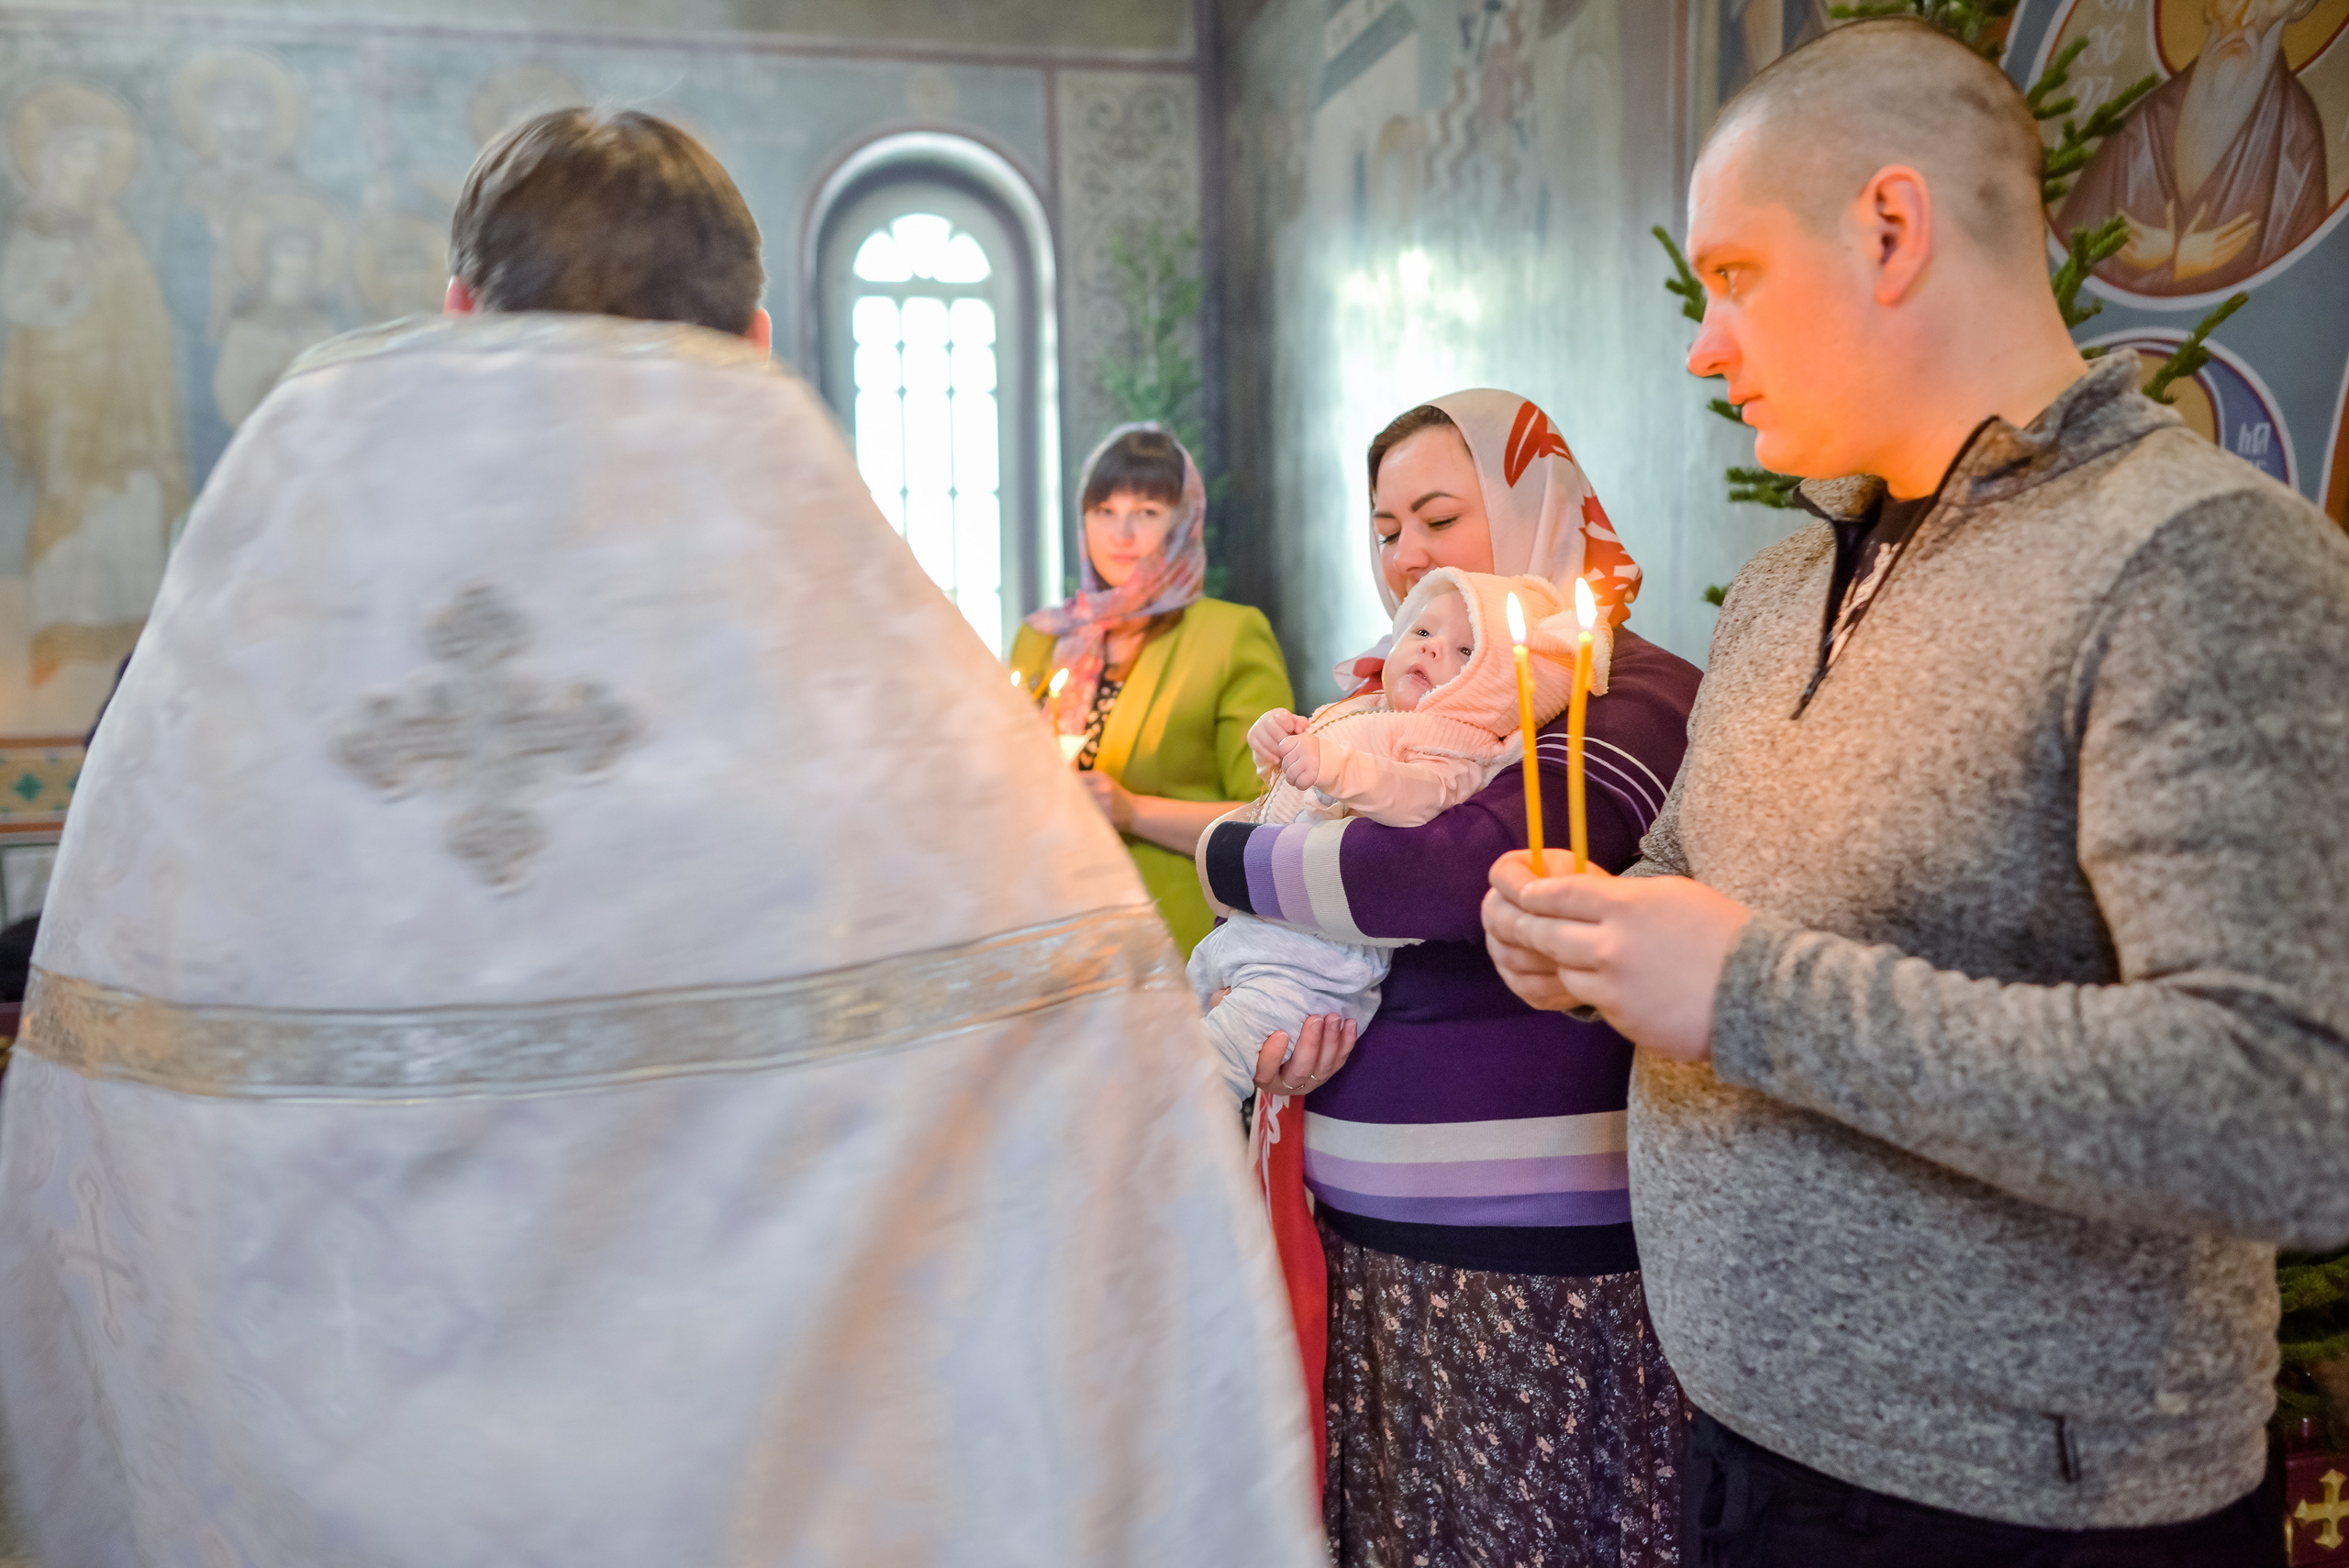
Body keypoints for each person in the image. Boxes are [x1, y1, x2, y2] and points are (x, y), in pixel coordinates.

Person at [0, 108, 1323, 1565]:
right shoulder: (885, 680)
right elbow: (1090, 1112)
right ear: (757, 338)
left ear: (461, 313)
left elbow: (108, 1113)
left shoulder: (261, 631)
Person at [1482, 19, 2349, 1565]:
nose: (1701, 345)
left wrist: (1743, 990)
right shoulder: (1778, 587)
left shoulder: (2196, 558)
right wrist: (1592, 935)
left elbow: (2289, 1115)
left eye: (1734, 275)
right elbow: (1689, 870)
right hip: (1746, 1441)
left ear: (1890, 228)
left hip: (2019, 1506)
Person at [1197, 390, 1698, 1564]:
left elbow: (1437, 874)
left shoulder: (1625, 684)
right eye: (1384, 530)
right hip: (1363, 1252)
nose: (1407, 556)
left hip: (1529, 1266)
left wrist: (1225, 854)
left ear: (1535, 507)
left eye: (1438, 516)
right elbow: (1336, 885)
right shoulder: (1394, 700)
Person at [1190, 568, 1585, 1097]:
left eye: (1466, 651)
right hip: (1253, 928)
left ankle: (1163, 1137)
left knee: (1205, 1078)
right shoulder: (1369, 709)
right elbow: (1286, 794)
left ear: (1493, 689)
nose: (1431, 648)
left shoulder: (1459, 742)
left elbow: (1419, 797)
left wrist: (1338, 768)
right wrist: (1275, 744)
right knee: (1167, 1031)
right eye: (1422, 631)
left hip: (1319, 959)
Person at [1010, 425, 1292, 956]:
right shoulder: (1041, 637)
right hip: (1047, 923)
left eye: (1146, 512)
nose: (1121, 533)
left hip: (1173, 933)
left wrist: (1133, 810)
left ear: (1182, 522)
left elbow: (1273, 814)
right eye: (1104, 511)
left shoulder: (1229, 636)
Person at [2057, 0, 2328, 295]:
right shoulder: (2141, 128)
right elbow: (2063, 280)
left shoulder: (2297, 143)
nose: (2245, 17)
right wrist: (2175, 266)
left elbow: (2293, 297)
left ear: (2299, 5)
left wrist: (2175, 265)